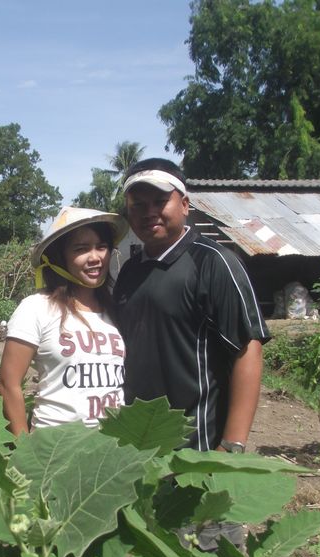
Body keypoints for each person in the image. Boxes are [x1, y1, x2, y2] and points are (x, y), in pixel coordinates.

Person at [113, 158, 271, 453]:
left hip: (195, 445)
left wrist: (232, 444)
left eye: (160, 201)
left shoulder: (213, 263)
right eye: (138, 205)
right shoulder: (129, 271)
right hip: (136, 441)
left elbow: (247, 348)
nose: (149, 213)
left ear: (184, 205)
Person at [0, 207, 129, 436]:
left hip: (112, 447)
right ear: (60, 256)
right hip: (56, 449)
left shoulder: (116, 310)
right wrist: (25, 452)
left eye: (102, 247)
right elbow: (8, 385)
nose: (95, 257)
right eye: (81, 249)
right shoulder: (36, 308)